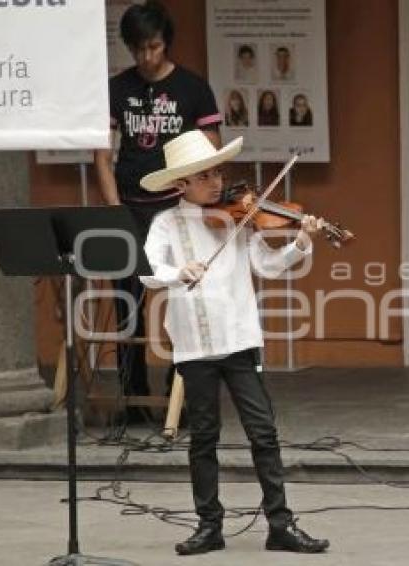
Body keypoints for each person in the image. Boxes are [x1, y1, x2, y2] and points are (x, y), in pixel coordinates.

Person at [138, 130, 330, 556]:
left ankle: (280, 525)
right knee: (203, 435)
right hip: (194, 345)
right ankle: (210, 526)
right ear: (181, 183)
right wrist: (176, 272)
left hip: (240, 338)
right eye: (205, 176)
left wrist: (300, 242)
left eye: (217, 173)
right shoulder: (166, 224)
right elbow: (147, 270)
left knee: (263, 431)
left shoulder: (239, 219)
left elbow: (268, 264)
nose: (216, 182)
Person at [94, 0, 222, 415]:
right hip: (129, 205)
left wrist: (198, 199)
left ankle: (178, 396)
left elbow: (212, 150)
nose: (147, 57)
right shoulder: (117, 88)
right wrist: (114, 207)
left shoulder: (193, 87)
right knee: (126, 302)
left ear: (165, 41)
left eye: (153, 47)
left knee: (183, 298)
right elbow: (101, 155)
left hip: (177, 208)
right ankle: (132, 400)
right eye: (138, 50)